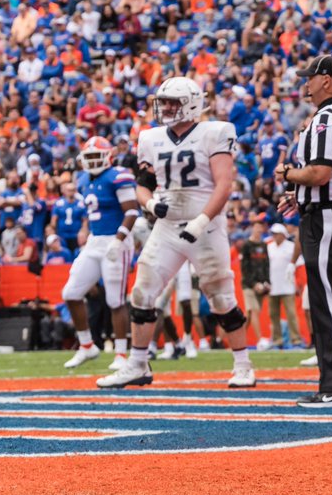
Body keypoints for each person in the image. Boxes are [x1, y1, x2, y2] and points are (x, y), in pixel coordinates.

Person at [96, 77, 255, 389]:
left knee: (221, 297)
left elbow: (224, 184)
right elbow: (142, 185)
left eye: (173, 102)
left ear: (192, 103)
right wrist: (150, 204)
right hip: (167, 226)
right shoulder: (150, 137)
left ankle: (243, 365)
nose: (167, 107)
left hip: (206, 226)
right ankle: (137, 365)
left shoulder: (215, 132)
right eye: (164, 101)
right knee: (141, 292)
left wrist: (201, 221)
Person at [277, 54, 332, 406]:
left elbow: (320, 173)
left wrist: (288, 174)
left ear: (326, 80)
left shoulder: (327, 118)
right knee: (329, 300)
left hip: (328, 216)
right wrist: (300, 195)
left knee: (328, 302)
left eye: (310, 77)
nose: (306, 83)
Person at [62, 136, 139, 370]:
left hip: (116, 240)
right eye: (90, 157)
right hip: (94, 241)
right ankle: (87, 345)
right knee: (71, 293)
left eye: (97, 156)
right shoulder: (84, 179)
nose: (93, 161)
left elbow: (132, 212)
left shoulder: (118, 176)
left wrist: (118, 240)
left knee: (115, 300)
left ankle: (121, 355)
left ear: (108, 156)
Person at [266, 223, 302, 349]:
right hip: (272, 286)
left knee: (291, 313)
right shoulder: (269, 247)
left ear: (283, 235)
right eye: (273, 234)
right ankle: (277, 340)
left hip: (288, 285)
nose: (274, 236)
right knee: (273, 314)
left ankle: (296, 339)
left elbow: (299, 266)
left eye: (276, 234)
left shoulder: (291, 247)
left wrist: (298, 283)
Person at [238, 220, 272, 350]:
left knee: (249, 315)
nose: (259, 230)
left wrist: (267, 282)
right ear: (252, 228)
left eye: (260, 227)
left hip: (261, 284)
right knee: (254, 310)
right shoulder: (246, 245)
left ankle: (238, 339)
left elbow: (266, 264)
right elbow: (244, 267)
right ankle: (260, 341)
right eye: (257, 227)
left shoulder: (263, 245)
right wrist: (253, 283)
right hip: (248, 284)